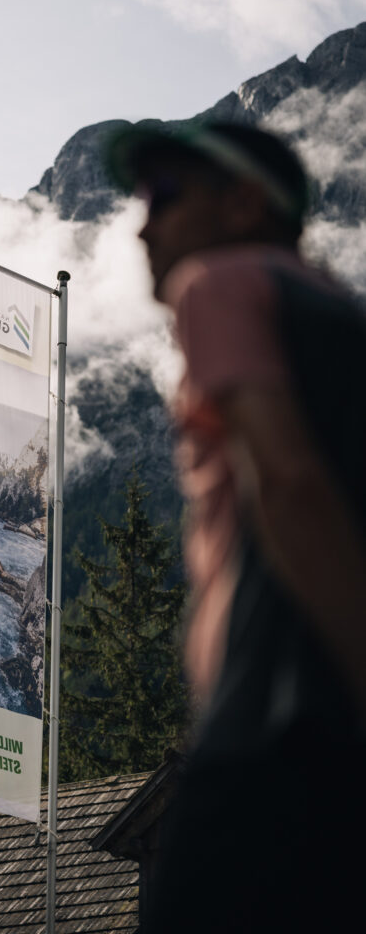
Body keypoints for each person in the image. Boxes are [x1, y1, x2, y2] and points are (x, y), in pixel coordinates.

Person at [106, 120, 366, 932]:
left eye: (165, 194)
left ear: (245, 202)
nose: (144, 223)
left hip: (273, 724)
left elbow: (286, 482)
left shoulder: (217, 282)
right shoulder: (339, 319)